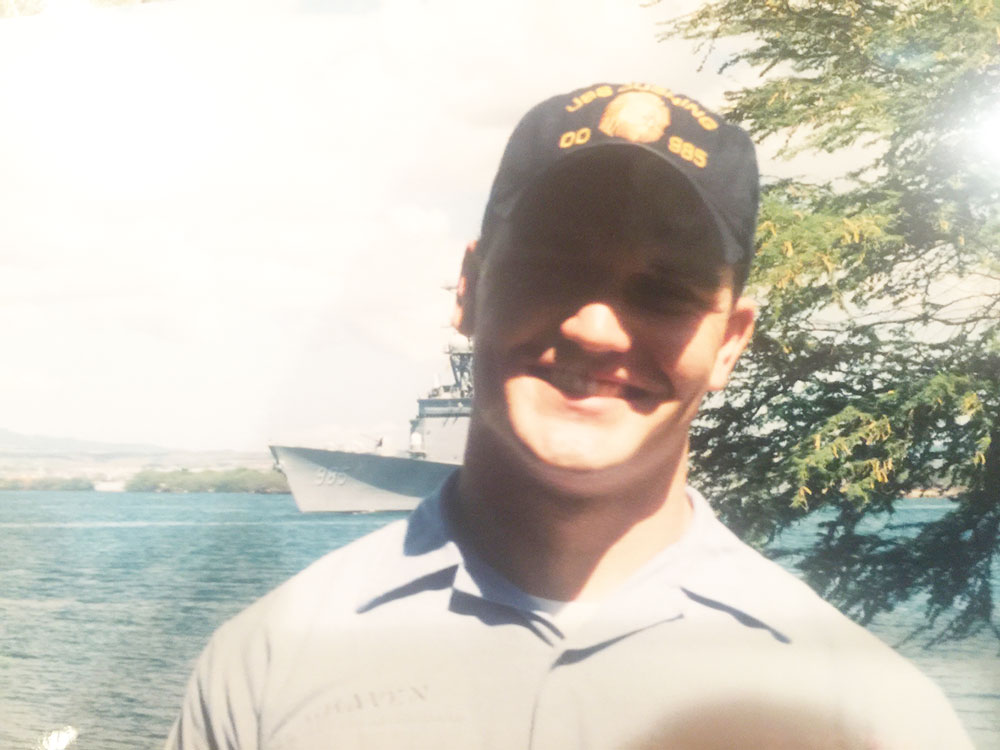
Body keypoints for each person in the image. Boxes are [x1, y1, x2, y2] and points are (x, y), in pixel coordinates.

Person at [165, 82, 972, 749]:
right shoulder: (266, 670)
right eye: (552, 266)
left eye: (663, 291)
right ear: (471, 291)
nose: (594, 327)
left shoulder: (874, 719)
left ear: (729, 344)